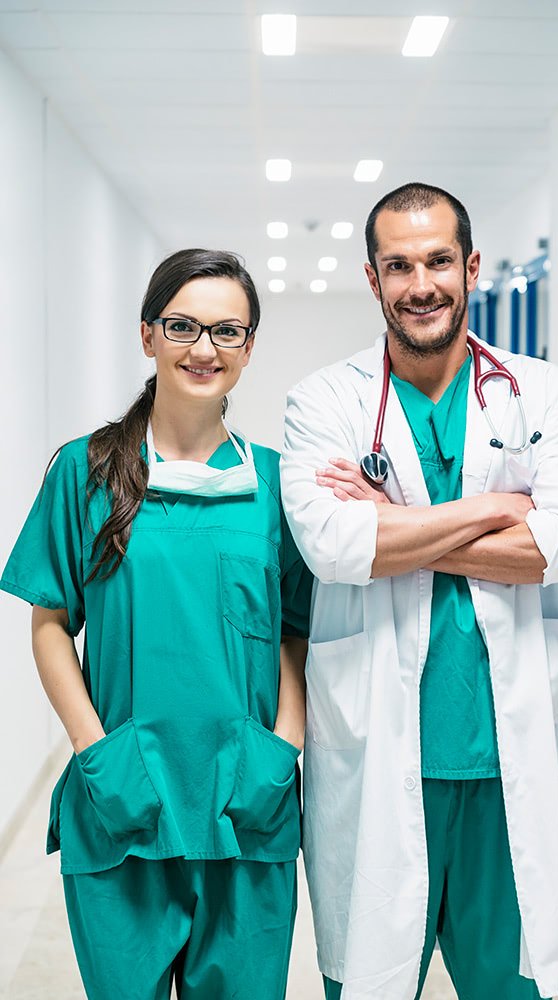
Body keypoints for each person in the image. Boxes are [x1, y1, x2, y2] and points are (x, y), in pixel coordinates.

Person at [280, 183, 558, 1000]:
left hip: (506, 759)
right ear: (372, 279)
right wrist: (501, 509)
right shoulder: (324, 400)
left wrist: (400, 527)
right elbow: (334, 546)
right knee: (372, 981)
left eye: (436, 261)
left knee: (512, 985)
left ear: (469, 269)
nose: (419, 283)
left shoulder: (543, 392)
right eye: (398, 265)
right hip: (379, 747)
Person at [0, 248, 312, 1000]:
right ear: (148, 335)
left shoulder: (277, 484)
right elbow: (50, 624)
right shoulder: (86, 471)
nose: (204, 349)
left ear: (248, 348)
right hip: (124, 800)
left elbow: (294, 632)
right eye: (183, 326)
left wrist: (284, 752)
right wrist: (94, 752)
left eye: (226, 332)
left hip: (247, 800)